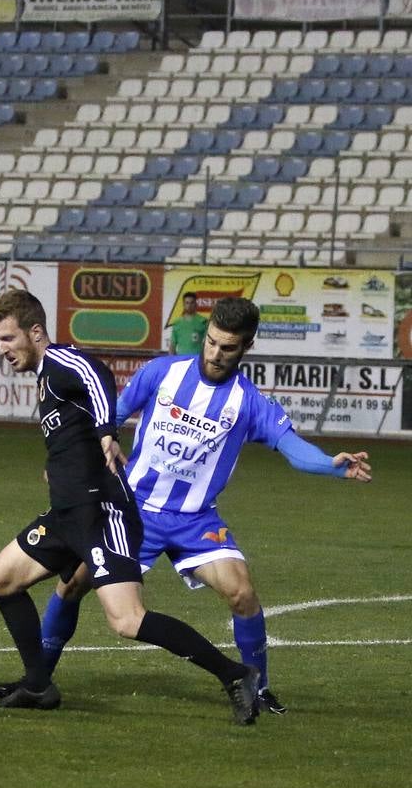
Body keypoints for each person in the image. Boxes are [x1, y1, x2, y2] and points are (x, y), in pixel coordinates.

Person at [40, 297, 372, 715]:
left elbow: (293, 449)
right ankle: (39, 678)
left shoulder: (250, 403)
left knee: (242, 592)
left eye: (227, 347)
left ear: (246, 347)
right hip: (131, 510)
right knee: (73, 581)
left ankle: (259, 688)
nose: (215, 353)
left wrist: (331, 465)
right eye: (211, 342)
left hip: (194, 520)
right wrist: (71, 464)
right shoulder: (162, 372)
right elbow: (108, 418)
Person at [0, 288, 261, 725]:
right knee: (0, 580)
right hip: (66, 515)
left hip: (102, 513)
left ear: (34, 332)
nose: (1, 350)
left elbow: (96, 374)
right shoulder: (45, 375)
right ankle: (38, 684)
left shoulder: (61, 361)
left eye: (6, 339)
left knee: (127, 621)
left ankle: (234, 674)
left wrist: (107, 432)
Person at [169, 291, 208, 355]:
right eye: (187, 303)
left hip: (197, 360)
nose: (189, 305)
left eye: (192, 303)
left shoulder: (203, 321)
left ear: (196, 304)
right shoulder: (177, 323)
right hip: (181, 360)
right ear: (183, 305)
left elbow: (208, 344)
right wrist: (172, 360)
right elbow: (172, 345)